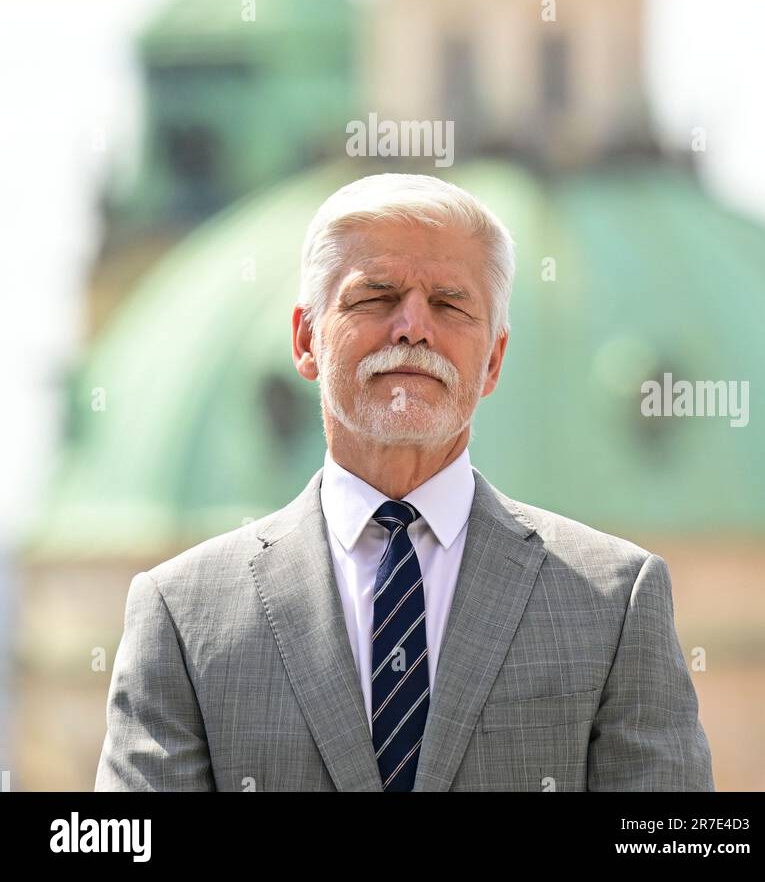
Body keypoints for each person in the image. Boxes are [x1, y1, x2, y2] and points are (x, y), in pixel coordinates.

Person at [95, 172, 715, 792]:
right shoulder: (182, 615)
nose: (413, 327)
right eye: (376, 297)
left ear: (493, 360)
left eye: (449, 304)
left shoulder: (613, 604)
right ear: (306, 339)